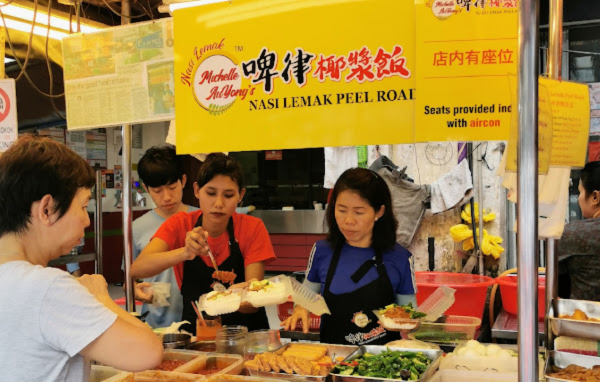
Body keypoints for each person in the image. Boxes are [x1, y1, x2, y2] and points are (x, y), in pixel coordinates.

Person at [0, 136, 162, 381]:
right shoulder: (45, 287)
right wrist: (100, 297)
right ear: (47, 209)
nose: (87, 221)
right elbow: (147, 354)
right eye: (84, 206)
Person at [131, 153, 276, 334]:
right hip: (197, 335)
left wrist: (235, 296)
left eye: (229, 195)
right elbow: (137, 269)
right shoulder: (179, 224)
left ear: (241, 196)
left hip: (247, 336)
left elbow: (252, 304)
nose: (218, 203)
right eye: (210, 193)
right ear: (197, 190)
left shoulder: (252, 227)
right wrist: (185, 252)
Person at [282, 168, 417, 346]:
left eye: (359, 212)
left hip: (382, 365)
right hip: (333, 361)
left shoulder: (400, 258)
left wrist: (409, 324)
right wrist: (300, 308)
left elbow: (411, 315)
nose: (348, 220)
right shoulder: (322, 251)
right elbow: (306, 297)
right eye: (342, 210)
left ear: (379, 212)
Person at [124, 146, 199, 328]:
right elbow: (130, 279)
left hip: (200, 321)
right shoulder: (137, 228)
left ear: (183, 180)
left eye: (172, 187)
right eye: (157, 191)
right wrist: (134, 290)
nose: (166, 197)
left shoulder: (201, 219)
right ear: (145, 188)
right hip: (156, 324)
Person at [559, 161, 600, 301]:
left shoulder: (572, 233)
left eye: (580, 191)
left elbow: (559, 287)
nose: (578, 198)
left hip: (585, 319)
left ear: (595, 197)